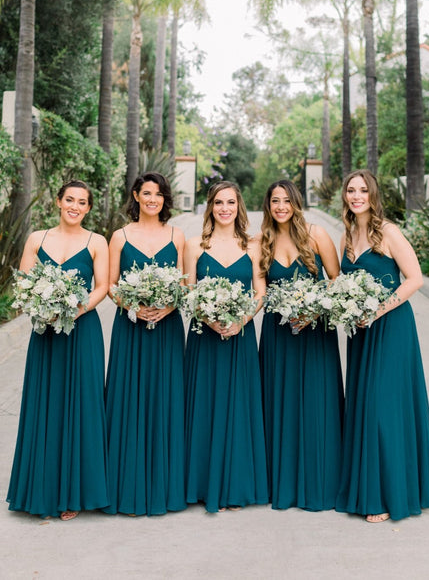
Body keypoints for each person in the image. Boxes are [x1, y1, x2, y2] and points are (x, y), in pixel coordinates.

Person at [336, 169, 429, 522]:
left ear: (373, 194)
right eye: (351, 190)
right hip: (361, 332)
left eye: (363, 190)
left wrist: (378, 310)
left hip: (392, 327)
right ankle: (370, 488)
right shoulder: (347, 236)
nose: (356, 196)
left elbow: (415, 279)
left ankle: (388, 493)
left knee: (385, 406)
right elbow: (342, 283)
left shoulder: (389, 232)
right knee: (365, 404)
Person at [7, 180, 109, 520]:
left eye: (82, 202)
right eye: (69, 200)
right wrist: (42, 309)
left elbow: (103, 286)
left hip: (83, 333)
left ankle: (73, 495)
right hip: (45, 333)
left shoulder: (97, 241)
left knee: (82, 406)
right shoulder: (37, 238)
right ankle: (41, 490)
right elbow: (23, 282)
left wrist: (74, 310)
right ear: (58, 201)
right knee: (45, 405)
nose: (75, 206)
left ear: (89, 208)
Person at [258, 180, 344, 510]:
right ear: (268, 205)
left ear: (297, 202)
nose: (281, 206)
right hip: (279, 335)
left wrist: (314, 308)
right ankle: (281, 483)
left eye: (287, 200)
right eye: (275, 200)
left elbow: (336, 281)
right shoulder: (262, 240)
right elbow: (259, 290)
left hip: (315, 333)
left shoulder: (316, 234)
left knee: (316, 403)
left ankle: (321, 482)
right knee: (281, 402)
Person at [104, 172, 186, 516]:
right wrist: (134, 307)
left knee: (166, 400)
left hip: (167, 329)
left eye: (158, 194)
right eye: (146, 193)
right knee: (128, 400)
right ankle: (126, 487)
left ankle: (165, 488)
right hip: (131, 329)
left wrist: (166, 307)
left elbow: (183, 283)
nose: (152, 199)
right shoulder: (120, 236)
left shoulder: (177, 235)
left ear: (165, 199)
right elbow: (110, 284)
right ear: (136, 196)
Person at [184, 181, 268, 512]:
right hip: (204, 337)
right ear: (210, 207)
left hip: (240, 338)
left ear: (239, 207)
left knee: (238, 407)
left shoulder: (252, 245)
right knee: (205, 405)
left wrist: (242, 320)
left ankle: (235, 486)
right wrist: (208, 317)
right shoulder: (194, 245)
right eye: (218, 202)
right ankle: (202, 484)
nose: (224, 208)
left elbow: (260, 290)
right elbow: (188, 291)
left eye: (230, 202)